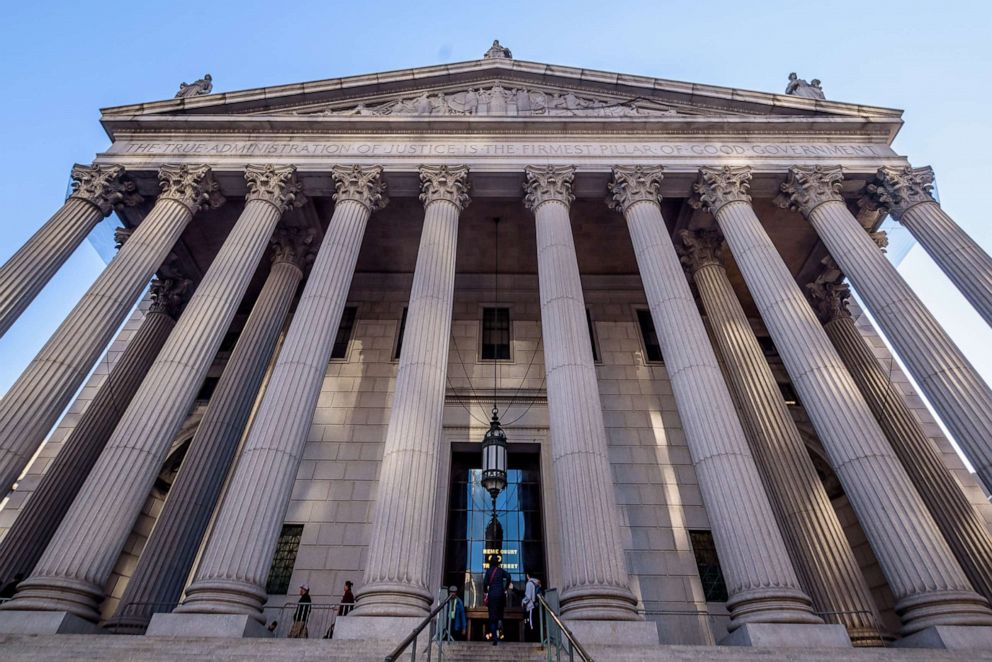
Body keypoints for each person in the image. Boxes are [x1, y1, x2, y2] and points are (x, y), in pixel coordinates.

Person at [483, 556, 511, 646]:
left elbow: (485, 583)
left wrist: (486, 591)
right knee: (500, 615)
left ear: (490, 563)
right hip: (501, 595)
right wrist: (505, 588)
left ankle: (495, 638)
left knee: (492, 618)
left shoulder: (488, 571)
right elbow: (509, 576)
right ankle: (502, 632)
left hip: (492, 596)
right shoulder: (500, 571)